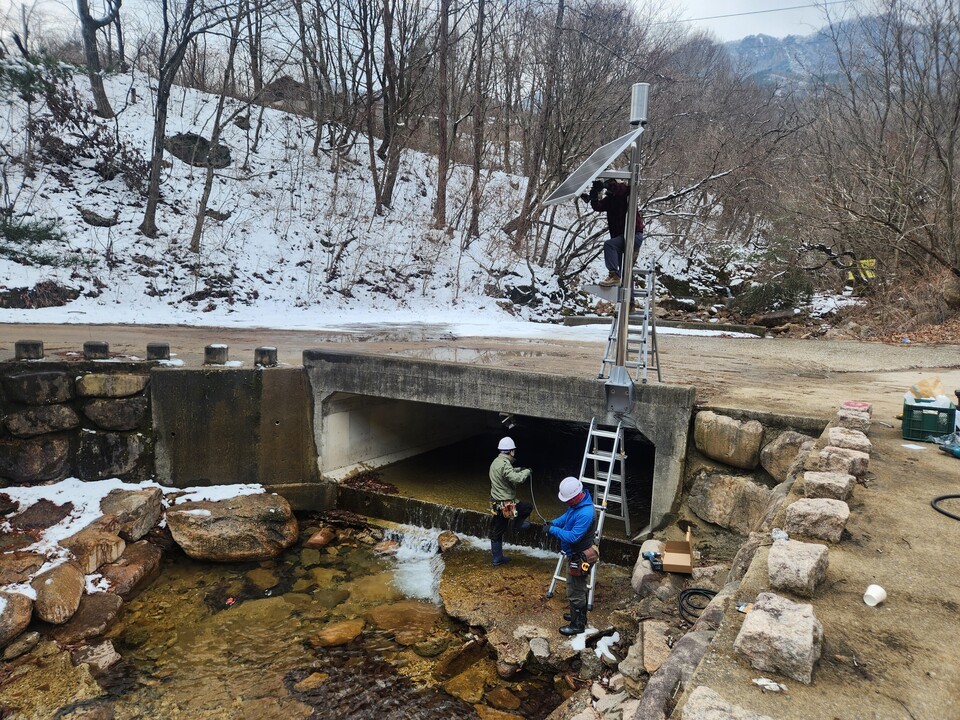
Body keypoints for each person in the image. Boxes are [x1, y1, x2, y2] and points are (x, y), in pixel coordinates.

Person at [544, 476, 597, 635]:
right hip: (575, 553)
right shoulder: (577, 505)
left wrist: (552, 531)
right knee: (578, 587)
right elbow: (566, 518)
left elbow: (574, 536)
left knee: (575, 590)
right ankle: (577, 616)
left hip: (579, 556)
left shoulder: (586, 513)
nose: (566, 503)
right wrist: (553, 523)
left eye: (568, 500)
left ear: (576, 496)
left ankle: (577, 625)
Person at [579, 178, 644, 288]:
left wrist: (605, 185)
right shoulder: (610, 200)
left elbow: (622, 189)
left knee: (609, 245)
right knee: (625, 272)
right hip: (622, 238)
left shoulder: (625, 193)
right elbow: (598, 206)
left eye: (610, 184)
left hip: (633, 235)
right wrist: (594, 196)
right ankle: (630, 301)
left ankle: (614, 275)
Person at [488, 436, 533, 566]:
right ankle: (517, 524)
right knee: (527, 507)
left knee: (498, 530)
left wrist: (519, 469)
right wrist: (527, 472)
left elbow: (506, 473)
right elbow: (516, 479)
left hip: (496, 503)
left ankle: (497, 558)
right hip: (506, 505)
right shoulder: (505, 464)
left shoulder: (496, 462)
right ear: (511, 451)